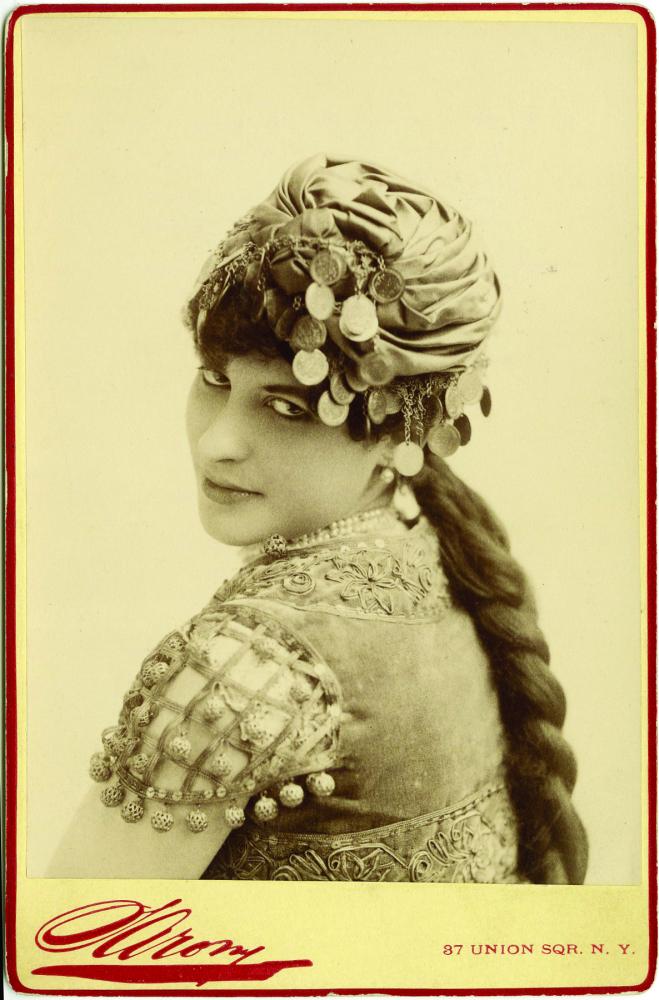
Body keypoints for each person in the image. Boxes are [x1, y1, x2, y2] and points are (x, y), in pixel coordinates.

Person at [49, 154, 588, 883]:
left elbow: (75, 956)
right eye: (214, 381)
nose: (216, 442)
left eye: (287, 408)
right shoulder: (436, 551)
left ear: (402, 434)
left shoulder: (240, 673)